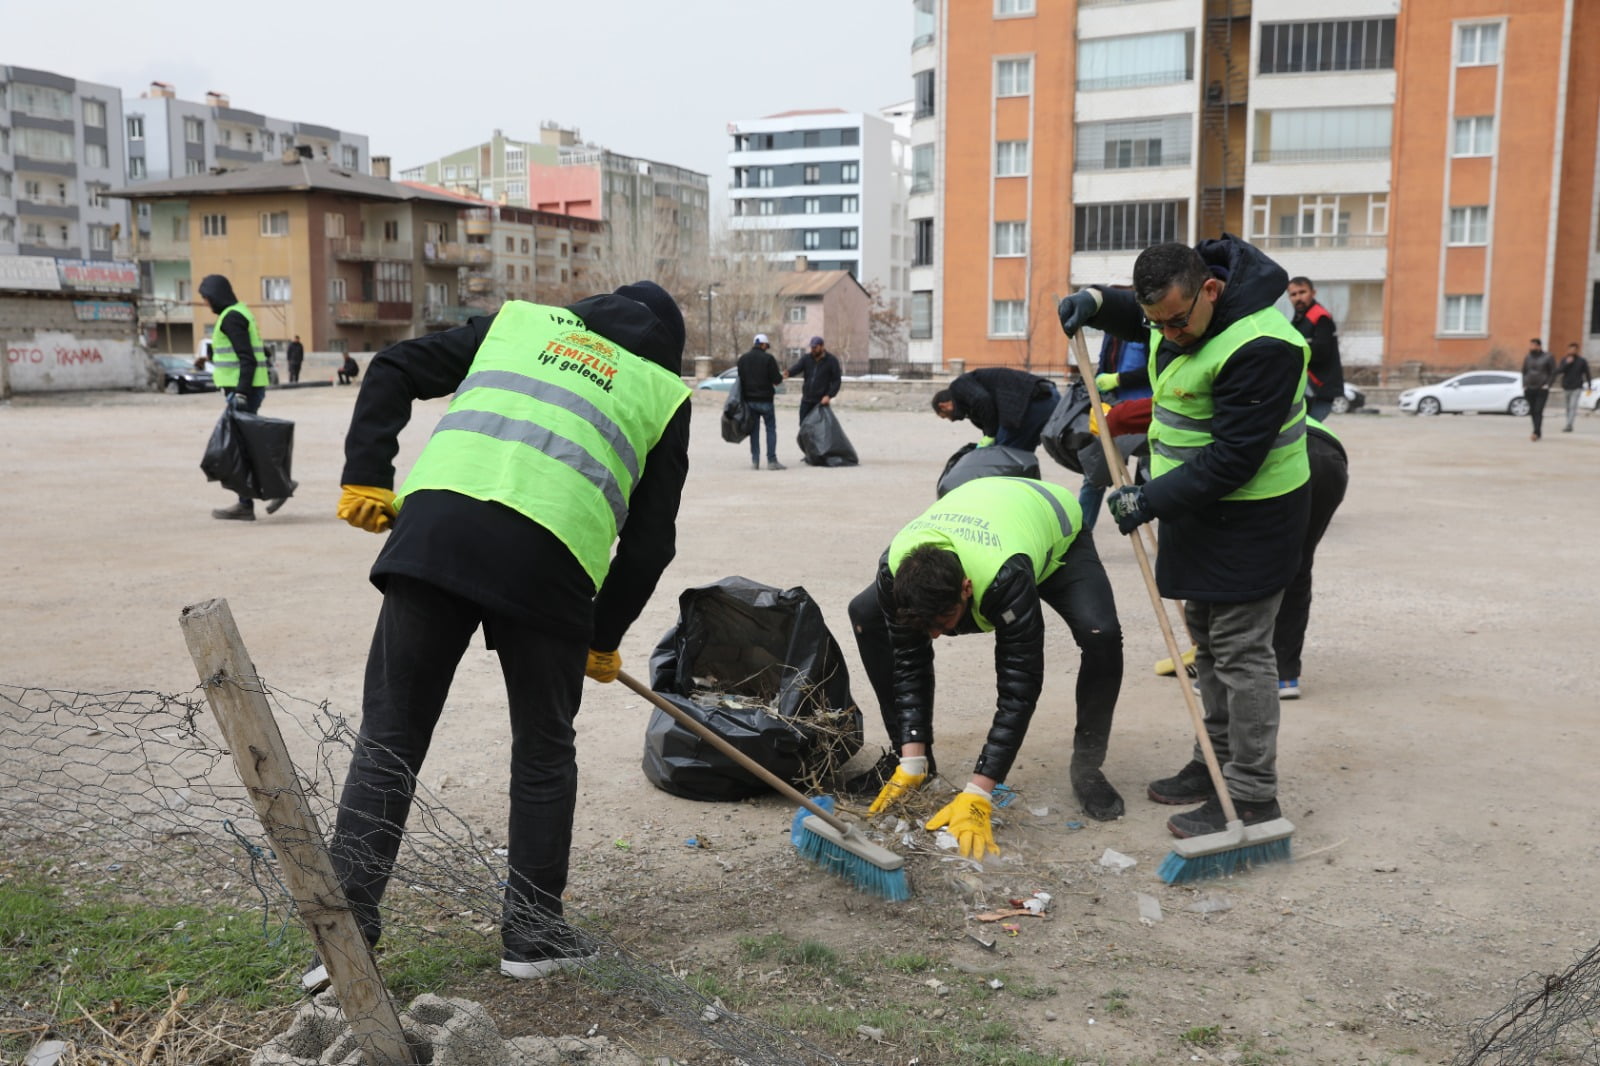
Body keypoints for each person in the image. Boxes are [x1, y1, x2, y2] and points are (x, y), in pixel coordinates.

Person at [315, 281, 691, 989]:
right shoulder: (660, 391)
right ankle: (532, 934)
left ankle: (343, 940)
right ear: (668, 349)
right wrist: (601, 636)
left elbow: (393, 366)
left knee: (389, 738)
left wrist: (367, 472)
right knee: (544, 753)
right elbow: (648, 546)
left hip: (434, 538)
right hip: (547, 566)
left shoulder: (518, 325)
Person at [1057, 236, 1310, 840]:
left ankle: (1252, 797)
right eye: (1155, 323)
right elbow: (1147, 316)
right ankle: (1213, 761)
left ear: (1212, 291)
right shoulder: (1181, 315)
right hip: (1198, 511)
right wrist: (1096, 301)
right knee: (1206, 644)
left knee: (1242, 651)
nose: (1166, 334)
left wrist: (1147, 499)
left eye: (1176, 321)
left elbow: (1233, 460)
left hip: (1253, 515)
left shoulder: (1264, 346)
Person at [845, 476, 1125, 846]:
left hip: (1050, 526)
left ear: (966, 588)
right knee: (865, 617)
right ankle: (913, 762)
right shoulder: (893, 574)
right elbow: (909, 662)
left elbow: (1018, 687)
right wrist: (912, 752)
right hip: (986, 509)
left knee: (1100, 635)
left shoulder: (1002, 576)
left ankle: (1088, 766)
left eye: (944, 623)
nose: (934, 636)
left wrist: (980, 790)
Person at [1273, 417, 1349, 700]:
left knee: (1249, 565)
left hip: (1285, 452)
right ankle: (1285, 676)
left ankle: (1227, 671)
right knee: (1298, 566)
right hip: (1330, 456)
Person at [200, 273, 285, 520]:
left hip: (242, 391)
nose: (206, 303)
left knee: (239, 447)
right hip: (245, 389)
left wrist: (240, 393)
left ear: (216, 295)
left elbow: (246, 358)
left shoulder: (232, 318)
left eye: (206, 298)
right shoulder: (238, 313)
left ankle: (275, 489)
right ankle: (248, 501)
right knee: (242, 445)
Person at [1080, 331, 1149, 531]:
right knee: (1095, 477)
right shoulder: (1112, 331)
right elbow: (1104, 363)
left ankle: (1170, 541)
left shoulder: (1150, 328)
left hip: (1145, 415)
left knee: (1153, 478)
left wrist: (1119, 379)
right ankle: (1080, 537)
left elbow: (1158, 370)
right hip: (1114, 412)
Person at [931, 367, 1059, 451]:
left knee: (1003, 454)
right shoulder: (970, 408)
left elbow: (983, 400)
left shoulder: (958, 387)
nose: (950, 420)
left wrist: (990, 435)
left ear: (944, 405)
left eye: (945, 416)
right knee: (1020, 456)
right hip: (1047, 397)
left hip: (1034, 399)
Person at [1286, 277, 1345, 422]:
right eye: (1293, 294)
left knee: (1309, 432)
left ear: (1313, 293)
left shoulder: (1320, 317)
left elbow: (1320, 353)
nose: (1298, 297)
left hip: (1319, 390)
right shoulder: (1299, 320)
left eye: (1302, 292)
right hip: (1307, 390)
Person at [736, 333, 785, 469]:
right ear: (763, 345)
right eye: (766, 346)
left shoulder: (743, 360)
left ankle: (755, 461)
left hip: (749, 401)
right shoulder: (768, 359)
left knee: (754, 431)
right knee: (770, 429)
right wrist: (781, 377)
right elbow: (776, 380)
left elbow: (741, 379)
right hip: (766, 401)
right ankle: (771, 461)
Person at [787, 335, 841, 423]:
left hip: (821, 402)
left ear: (822, 346)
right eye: (812, 347)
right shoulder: (806, 359)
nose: (813, 349)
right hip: (806, 400)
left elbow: (836, 381)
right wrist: (788, 373)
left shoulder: (831, 361)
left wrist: (829, 395)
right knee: (804, 426)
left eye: (815, 347)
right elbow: (797, 368)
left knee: (820, 429)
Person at [1521, 339, 1555, 441]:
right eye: (1530, 345)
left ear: (1539, 346)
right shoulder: (1528, 357)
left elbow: (1553, 372)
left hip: (1542, 388)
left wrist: (1548, 384)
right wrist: (1524, 384)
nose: (1531, 347)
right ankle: (1537, 431)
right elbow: (1524, 371)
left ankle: (1535, 432)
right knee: (1532, 411)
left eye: (1533, 345)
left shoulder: (1548, 357)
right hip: (1529, 387)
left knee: (1538, 410)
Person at [1556, 342, 1592, 433]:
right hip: (1566, 386)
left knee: (1573, 406)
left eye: (1574, 349)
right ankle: (1569, 423)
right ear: (1568, 350)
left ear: (1577, 350)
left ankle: (1569, 424)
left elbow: (1587, 373)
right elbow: (1559, 371)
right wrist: (1567, 364)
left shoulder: (1582, 361)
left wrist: (1589, 384)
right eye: (1570, 349)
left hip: (1577, 387)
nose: (1572, 351)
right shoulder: (1564, 360)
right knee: (1567, 407)